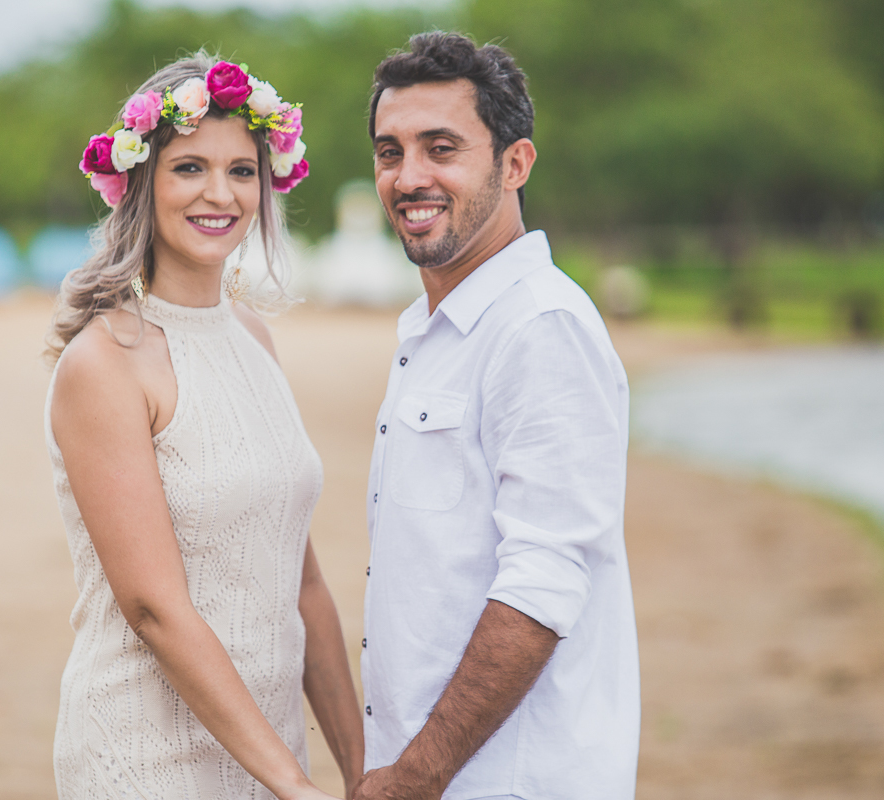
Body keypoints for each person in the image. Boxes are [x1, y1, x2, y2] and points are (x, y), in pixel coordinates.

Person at [43, 52, 363, 800]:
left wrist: (360, 772)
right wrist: (295, 786)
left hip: (269, 752)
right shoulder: (105, 363)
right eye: (189, 168)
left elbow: (304, 583)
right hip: (148, 759)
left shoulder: (253, 337)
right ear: (140, 181)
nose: (220, 194)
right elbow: (153, 608)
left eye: (241, 171)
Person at [354, 33, 640, 799]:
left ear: (515, 164)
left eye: (441, 148)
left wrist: (417, 776)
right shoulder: (436, 331)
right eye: (389, 152)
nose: (409, 177)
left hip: (506, 779)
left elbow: (543, 580)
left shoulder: (539, 326)